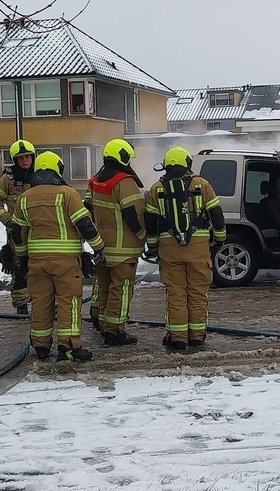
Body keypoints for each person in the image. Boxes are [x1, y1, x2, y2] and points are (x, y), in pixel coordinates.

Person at [10, 151, 105, 362]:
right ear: (57, 169)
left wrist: (23, 259)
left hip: (36, 263)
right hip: (65, 263)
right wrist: (99, 248)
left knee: (41, 303)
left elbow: (17, 232)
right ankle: (69, 347)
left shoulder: (25, 198)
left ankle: (41, 346)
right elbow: (85, 225)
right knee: (68, 303)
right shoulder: (67, 194)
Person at [144, 146, 226, 350]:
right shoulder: (201, 184)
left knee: (176, 292)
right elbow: (216, 213)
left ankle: (178, 337)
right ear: (187, 164)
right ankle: (197, 336)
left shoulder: (156, 189)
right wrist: (220, 238)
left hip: (169, 247)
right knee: (198, 291)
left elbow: (150, 221)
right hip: (197, 246)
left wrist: (153, 245)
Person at [85, 139, 146, 346]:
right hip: (124, 249)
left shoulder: (96, 181)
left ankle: (103, 324)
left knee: (104, 287)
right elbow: (132, 213)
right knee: (120, 290)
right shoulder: (124, 182)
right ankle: (115, 331)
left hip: (102, 247)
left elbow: (88, 208)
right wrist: (143, 235)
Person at [0, 140, 36, 314]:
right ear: (15, 160)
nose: (24, 161)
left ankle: (43, 304)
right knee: (19, 267)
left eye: (27, 157)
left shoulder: (40, 175)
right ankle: (21, 305)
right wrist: (8, 221)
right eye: (20, 158)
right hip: (17, 233)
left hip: (39, 231)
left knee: (40, 266)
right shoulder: (7, 179)